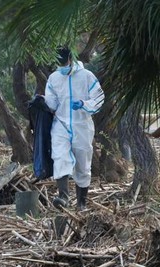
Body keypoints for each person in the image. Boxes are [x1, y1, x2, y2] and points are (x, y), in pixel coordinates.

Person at [45, 46, 105, 210]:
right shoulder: (53, 78)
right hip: (61, 124)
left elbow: (99, 98)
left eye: (64, 63)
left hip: (82, 125)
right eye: (59, 64)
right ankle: (63, 197)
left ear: (71, 59)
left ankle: (81, 203)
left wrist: (84, 104)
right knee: (60, 156)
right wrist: (42, 102)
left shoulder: (87, 76)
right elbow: (51, 102)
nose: (62, 66)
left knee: (82, 164)